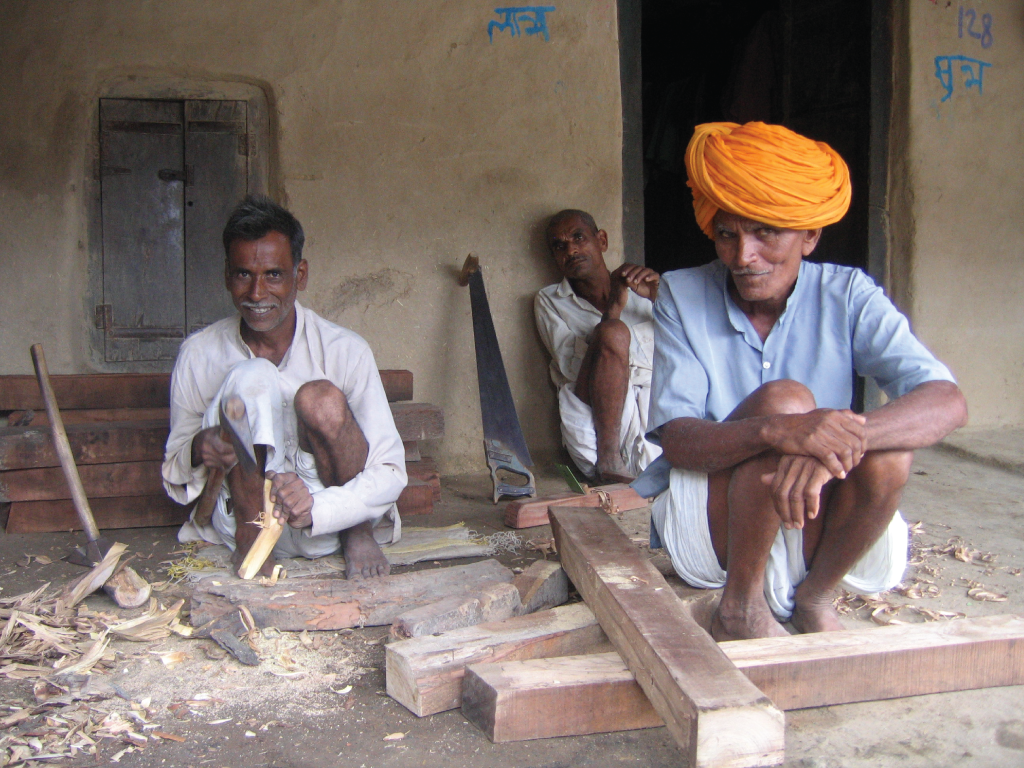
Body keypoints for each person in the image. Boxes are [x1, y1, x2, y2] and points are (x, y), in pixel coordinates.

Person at [635, 122, 968, 640]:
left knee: (889, 451)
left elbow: (946, 401)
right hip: (716, 526)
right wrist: (779, 431)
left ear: (810, 235)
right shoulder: (681, 293)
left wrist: (827, 442)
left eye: (766, 231)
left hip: (816, 522)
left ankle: (815, 596)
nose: (743, 256)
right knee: (786, 403)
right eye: (727, 233)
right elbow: (678, 441)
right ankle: (740, 606)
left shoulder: (849, 293)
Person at [162, 195, 406, 580]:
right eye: (243, 274)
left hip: (327, 520)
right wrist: (200, 447)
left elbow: (391, 471)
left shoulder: (346, 351)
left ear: (301, 275)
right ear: (227, 275)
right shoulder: (198, 354)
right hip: (238, 520)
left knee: (320, 399)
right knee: (252, 375)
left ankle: (358, 535)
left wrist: (322, 508)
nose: (257, 293)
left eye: (274, 274)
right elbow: (174, 466)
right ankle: (252, 534)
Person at [534, 210, 663, 483]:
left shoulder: (646, 290)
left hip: (653, 404)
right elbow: (571, 367)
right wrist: (613, 310)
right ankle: (610, 461)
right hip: (591, 410)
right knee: (613, 332)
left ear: (602, 240)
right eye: (559, 245)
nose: (571, 250)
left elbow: (686, 354)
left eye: (578, 238)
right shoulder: (550, 300)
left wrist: (661, 299)